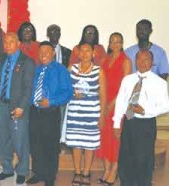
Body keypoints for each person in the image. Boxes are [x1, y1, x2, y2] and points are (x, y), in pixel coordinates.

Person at [113, 49, 169, 186]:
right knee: (126, 158)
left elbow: (165, 106)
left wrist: (145, 111)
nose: (142, 62)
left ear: (152, 62)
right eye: (139, 59)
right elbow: (120, 101)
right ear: (135, 61)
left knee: (143, 159)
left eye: (146, 59)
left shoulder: (160, 83)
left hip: (146, 124)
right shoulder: (128, 79)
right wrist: (116, 123)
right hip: (129, 122)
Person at [26, 41, 73, 186]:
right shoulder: (37, 69)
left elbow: (67, 92)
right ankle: (38, 173)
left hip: (50, 113)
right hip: (34, 112)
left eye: (47, 52)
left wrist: (51, 101)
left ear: (53, 53)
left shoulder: (61, 70)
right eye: (41, 52)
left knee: (50, 146)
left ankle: (49, 177)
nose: (43, 55)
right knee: (36, 144)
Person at [0, 32, 35, 184]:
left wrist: (22, 107)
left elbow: (28, 87)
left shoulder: (27, 61)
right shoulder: (3, 59)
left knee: (20, 140)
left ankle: (22, 170)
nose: (7, 45)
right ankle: (7, 169)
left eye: (11, 42)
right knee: (3, 138)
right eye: (5, 42)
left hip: (17, 108)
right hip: (2, 105)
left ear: (18, 43)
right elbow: (4, 80)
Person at [65, 42, 106, 186]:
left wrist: (102, 116)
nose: (84, 54)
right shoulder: (72, 69)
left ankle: (86, 173)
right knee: (76, 144)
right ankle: (77, 172)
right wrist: (71, 93)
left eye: (87, 51)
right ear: (78, 53)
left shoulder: (98, 70)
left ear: (93, 53)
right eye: (82, 51)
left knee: (89, 145)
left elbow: (103, 95)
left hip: (92, 113)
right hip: (75, 113)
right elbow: (65, 90)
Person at [95, 32, 131, 185]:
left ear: (122, 44)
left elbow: (126, 86)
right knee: (105, 137)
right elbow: (99, 84)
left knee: (116, 140)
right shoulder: (105, 60)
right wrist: (103, 104)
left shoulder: (126, 61)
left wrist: (113, 103)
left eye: (118, 42)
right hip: (104, 103)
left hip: (119, 105)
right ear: (109, 44)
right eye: (112, 42)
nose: (115, 44)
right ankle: (106, 169)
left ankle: (114, 170)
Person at [46, 24, 72, 146]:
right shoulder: (43, 51)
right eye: (51, 32)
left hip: (61, 91)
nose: (54, 34)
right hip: (46, 91)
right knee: (45, 119)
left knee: (60, 117)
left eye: (57, 32)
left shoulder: (68, 52)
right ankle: (46, 142)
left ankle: (56, 142)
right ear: (48, 35)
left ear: (60, 34)